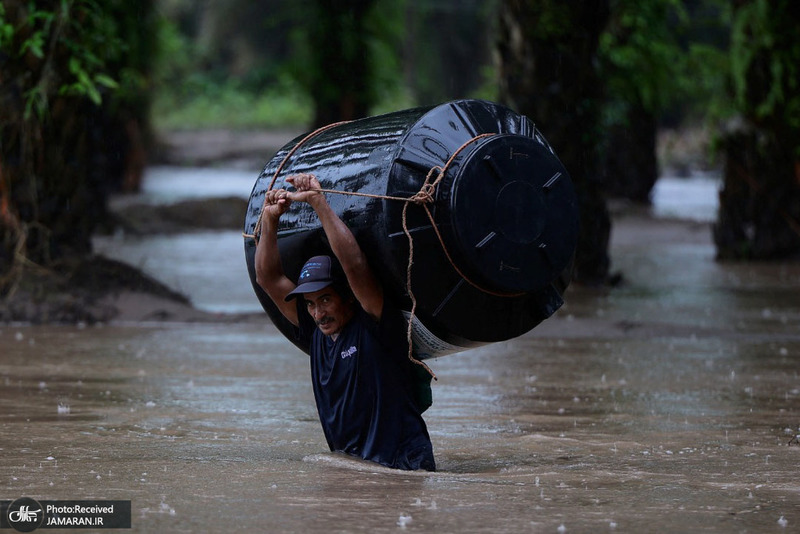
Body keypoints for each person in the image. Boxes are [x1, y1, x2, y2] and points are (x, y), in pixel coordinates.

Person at [254, 173, 436, 471]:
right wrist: (270, 219)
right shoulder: (315, 332)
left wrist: (317, 202)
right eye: (310, 303)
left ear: (348, 297)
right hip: (357, 467)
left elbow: (354, 265)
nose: (317, 312)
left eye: (325, 299)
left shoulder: (375, 323)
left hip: (404, 465)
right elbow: (268, 278)